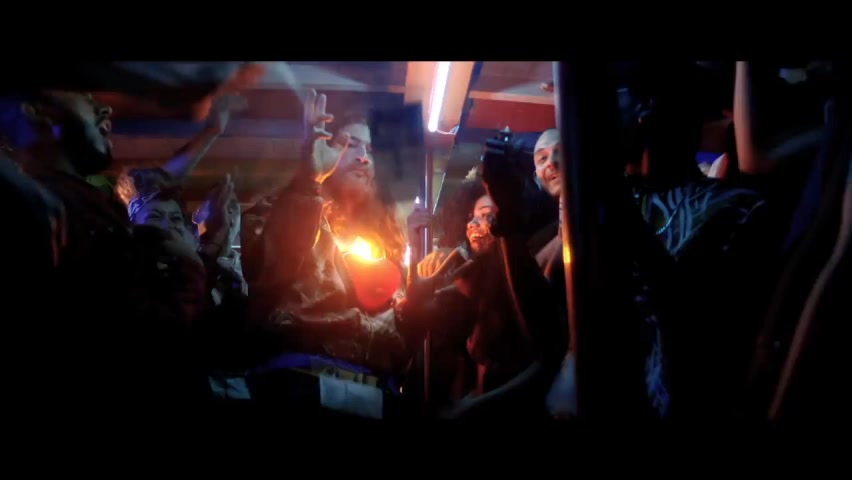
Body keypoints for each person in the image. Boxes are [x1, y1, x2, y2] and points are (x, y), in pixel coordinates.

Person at [5, 91, 208, 409]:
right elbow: (143, 338)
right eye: (85, 97)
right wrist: (188, 266)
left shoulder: (82, 207)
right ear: (37, 110)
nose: (105, 109)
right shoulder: (44, 211)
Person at [243, 90, 409, 416]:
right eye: (351, 145)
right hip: (299, 387)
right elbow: (271, 267)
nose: (363, 158)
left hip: (376, 395)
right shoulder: (278, 212)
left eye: (371, 150)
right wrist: (309, 182)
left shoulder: (386, 241)